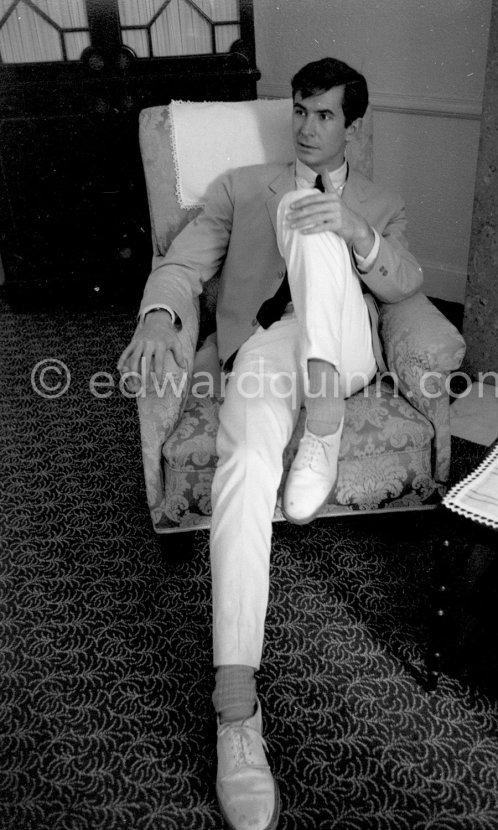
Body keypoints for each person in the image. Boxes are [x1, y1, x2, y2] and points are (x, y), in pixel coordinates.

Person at [118, 57, 423, 830]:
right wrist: (159, 316)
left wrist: (355, 229)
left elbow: (407, 281)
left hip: (344, 355)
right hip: (262, 350)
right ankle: (235, 712)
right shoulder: (239, 186)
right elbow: (181, 265)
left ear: (353, 124)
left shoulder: (381, 202)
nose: (308, 126)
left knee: (318, 226)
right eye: (300, 110)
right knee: (247, 465)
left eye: (324, 115)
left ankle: (325, 421)